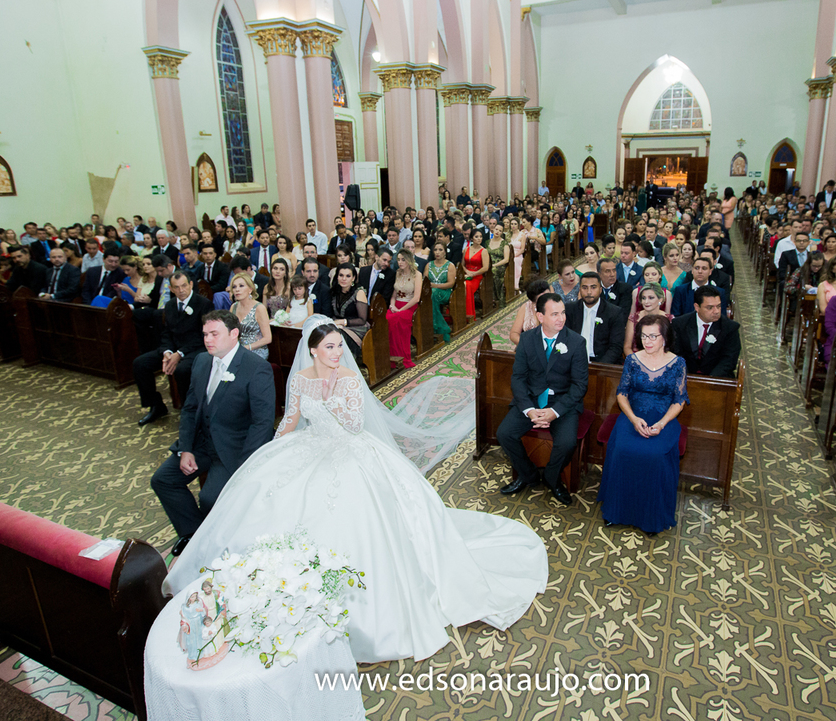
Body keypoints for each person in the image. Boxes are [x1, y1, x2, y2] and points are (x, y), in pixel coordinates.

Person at [166, 316, 542, 663]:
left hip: (350, 451)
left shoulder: (346, 377)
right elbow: (291, 420)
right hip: (310, 447)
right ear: (312, 350)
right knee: (269, 498)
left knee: (357, 520)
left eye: (338, 346)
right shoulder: (298, 380)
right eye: (329, 347)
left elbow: (353, 423)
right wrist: (272, 448)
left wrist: (332, 392)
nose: (336, 352)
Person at [150, 310, 275, 557]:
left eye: (214, 334)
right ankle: (194, 535)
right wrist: (186, 448)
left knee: (209, 499)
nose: (208, 339)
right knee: (163, 480)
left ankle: (218, 543)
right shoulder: (201, 361)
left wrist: (245, 467)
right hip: (201, 443)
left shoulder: (256, 368)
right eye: (205, 334)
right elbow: (190, 408)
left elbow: (262, 423)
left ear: (234, 334)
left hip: (235, 448)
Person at [496, 294, 590, 507]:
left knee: (566, 443)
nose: (561, 318)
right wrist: (529, 409)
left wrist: (554, 412)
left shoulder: (576, 342)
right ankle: (528, 475)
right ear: (540, 316)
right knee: (504, 433)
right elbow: (518, 377)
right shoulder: (527, 339)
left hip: (563, 403)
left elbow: (579, 386)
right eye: (554, 314)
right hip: (531, 399)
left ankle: (551, 477)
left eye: (563, 313)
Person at [599, 314, 689, 534]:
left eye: (653, 336)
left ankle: (650, 515)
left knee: (654, 455)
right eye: (644, 336)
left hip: (663, 419)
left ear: (665, 337)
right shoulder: (632, 360)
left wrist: (661, 423)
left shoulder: (678, 363)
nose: (647, 341)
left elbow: (679, 401)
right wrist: (633, 418)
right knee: (623, 449)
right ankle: (617, 511)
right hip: (633, 415)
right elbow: (622, 394)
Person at [132, 272, 214, 425]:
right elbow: (166, 333)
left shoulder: (204, 304)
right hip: (173, 348)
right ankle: (156, 405)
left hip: (196, 348)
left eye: (184, 286)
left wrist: (180, 353)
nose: (181, 290)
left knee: (182, 370)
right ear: (170, 288)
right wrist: (167, 352)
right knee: (140, 363)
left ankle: (189, 411)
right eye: (176, 287)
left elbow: (204, 335)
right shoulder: (170, 305)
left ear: (190, 285)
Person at [668, 285, 741, 378]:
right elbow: (676, 353)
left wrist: (709, 381)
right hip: (685, 376)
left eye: (718, 306)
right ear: (697, 307)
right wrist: (688, 377)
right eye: (710, 307)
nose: (716, 311)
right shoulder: (680, 324)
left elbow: (729, 360)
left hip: (717, 379)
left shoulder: (730, 328)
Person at [565, 272, 626, 364]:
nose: (589, 292)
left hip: (602, 364)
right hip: (574, 361)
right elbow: (565, 339)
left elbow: (616, 346)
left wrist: (600, 367)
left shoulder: (614, 312)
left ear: (600, 289)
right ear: (580, 289)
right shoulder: (570, 310)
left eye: (593, 287)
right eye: (585, 288)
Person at [326, 264, 369, 363]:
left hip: (357, 328)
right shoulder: (334, 291)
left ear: (353, 278)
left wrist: (342, 322)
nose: (344, 279)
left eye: (348, 276)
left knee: (337, 335)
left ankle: (343, 367)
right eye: (341, 275)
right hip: (337, 325)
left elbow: (362, 320)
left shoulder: (359, 292)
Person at [387, 250, 422, 369]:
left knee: (398, 319)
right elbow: (394, 294)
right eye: (398, 259)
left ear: (409, 260)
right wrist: (392, 305)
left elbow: (416, 298)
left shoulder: (417, 275)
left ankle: (402, 356)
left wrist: (401, 310)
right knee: (386, 319)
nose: (400, 262)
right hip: (397, 305)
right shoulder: (397, 273)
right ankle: (389, 356)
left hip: (409, 306)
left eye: (403, 259)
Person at [229, 274, 271, 358]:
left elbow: (268, 338)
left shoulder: (259, 308)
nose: (237, 289)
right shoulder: (233, 307)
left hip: (256, 351)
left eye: (241, 286)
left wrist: (247, 348)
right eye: (234, 287)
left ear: (250, 289)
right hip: (238, 350)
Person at [623, 284, 671, 357]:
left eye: (651, 298)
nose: (646, 301)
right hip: (637, 360)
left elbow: (671, 348)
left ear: (660, 299)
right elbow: (627, 347)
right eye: (643, 298)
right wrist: (637, 362)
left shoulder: (669, 320)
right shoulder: (634, 318)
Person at [425, 243, 456, 343]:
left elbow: (451, 283)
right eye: (435, 250)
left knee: (432, 294)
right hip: (431, 292)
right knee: (428, 296)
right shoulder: (429, 265)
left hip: (445, 292)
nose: (437, 252)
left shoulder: (450, 265)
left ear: (445, 252)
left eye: (440, 250)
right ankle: (429, 326)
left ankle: (438, 327)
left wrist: (435, 286)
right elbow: (424, 281)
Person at [509, 278, 551, 346]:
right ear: (533, 301)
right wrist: (527, 345)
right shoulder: (526, 307)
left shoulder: (557, 307)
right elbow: (514, 334)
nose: (547, 300)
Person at [462, 228, 490, 318]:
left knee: (467, 285)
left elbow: (485, 267)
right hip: (466, 274)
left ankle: (469, 314)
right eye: (476, 237)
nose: (479, 239)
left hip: (477, 276)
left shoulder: (484, 251)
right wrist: (467, 272)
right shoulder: (466, 249)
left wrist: (473, 274)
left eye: (481, 237)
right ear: (472, 239)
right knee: (459, 284)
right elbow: (462, 264)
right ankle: (458, 312)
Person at [487, 225, 511, 306]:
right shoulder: (487, 242)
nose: (497, 231)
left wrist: (495, 265)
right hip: (488, 265)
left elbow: (506, 259)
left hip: (500, 266)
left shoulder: (504, 243)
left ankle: (496, 297)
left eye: (500, 230)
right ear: (493, 230)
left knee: (493, 271)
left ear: (502, 233)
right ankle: (488, 298)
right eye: (496, 229)